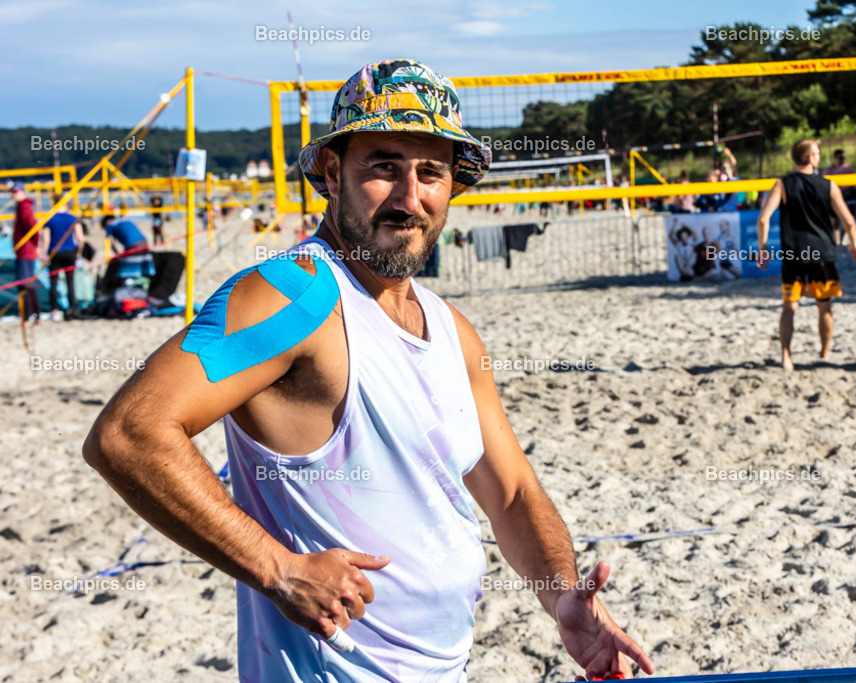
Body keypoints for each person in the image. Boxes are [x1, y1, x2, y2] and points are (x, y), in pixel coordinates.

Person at [83, 59, 654, 683]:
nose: (409, 198)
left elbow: (512, 492)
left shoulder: (451, 329)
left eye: (431, 172)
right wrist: (278, 570)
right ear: (332, 173)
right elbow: (129, 434)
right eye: (384, 166)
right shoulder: (294, 294)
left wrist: (560, 593)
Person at [755, 139, 856, 371]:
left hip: (794, 251)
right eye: (817, 153)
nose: (820, 157)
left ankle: (786, 356)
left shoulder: (782, 184)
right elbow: (849, 220)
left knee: (789, 306)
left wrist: (762, 249)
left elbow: (763, 219)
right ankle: (824, 354)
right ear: (810, 158)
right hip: (821, 251)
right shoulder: (829, 185)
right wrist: (854, 243)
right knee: (824, 306)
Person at [39, 200, 85, 319]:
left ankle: (54, 311)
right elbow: (81, 239)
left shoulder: (50, 219)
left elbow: (46, 240)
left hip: (55, 253)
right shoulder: (73, 218)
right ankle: (71, 309)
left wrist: (44, 255)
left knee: (53, 282)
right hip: (70, 253)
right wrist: (78, 253)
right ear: (66, 205)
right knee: (70, 282)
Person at [9, 182, 40, 326]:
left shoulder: (24, 207)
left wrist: (36, 245)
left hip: (26, 252)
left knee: (24, 285)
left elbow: (32, 228)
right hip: (23, 251)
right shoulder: (21, 206)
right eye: (11, 191)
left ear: (22, 191)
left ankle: (28, 317)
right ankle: (34, 316)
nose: (12, 194)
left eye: (15, 191)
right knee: (27, 284)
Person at [823, 149, 856, 245]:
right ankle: (835, 242)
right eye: (840, 157)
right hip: (832, 198)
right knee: (834, 221)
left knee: (846, 220)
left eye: (843, 157)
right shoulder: (829, 170)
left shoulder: (848, 169)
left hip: (845, 198)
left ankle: (841, 241)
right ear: (835, 158)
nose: (841, 159)